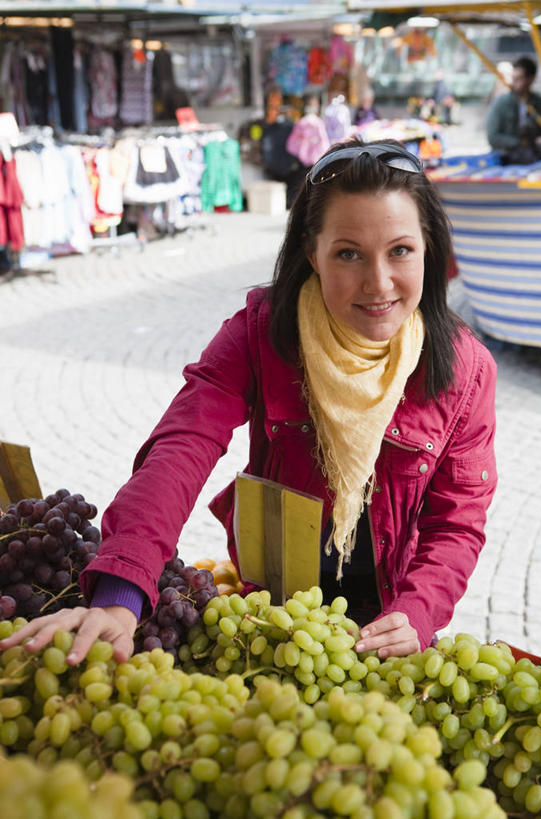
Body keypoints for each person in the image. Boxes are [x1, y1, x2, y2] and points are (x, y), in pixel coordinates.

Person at [0, 138, 497, 666]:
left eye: (400, 250)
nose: (379, 283)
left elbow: (457, 522)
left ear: (429, 249)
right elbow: (184, 444)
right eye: (348, 253)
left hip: (390, 615)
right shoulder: (262, 331)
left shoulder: (465, 372)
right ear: (313, 253)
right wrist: (122, 589)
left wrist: (417, 614)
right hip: (273, 606)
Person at [487, 55, 541, 164]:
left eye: (519, 79)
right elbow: (493, 137)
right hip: (508, 155)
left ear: (530, 79)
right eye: (514, 78)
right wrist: (522, 143)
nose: (514, 83)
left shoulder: (540, 103)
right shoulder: (501, 103)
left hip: (535, 154)